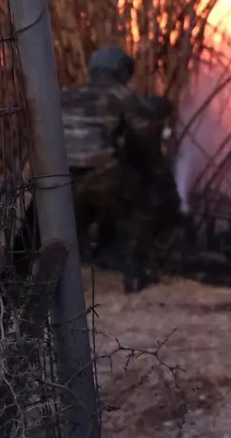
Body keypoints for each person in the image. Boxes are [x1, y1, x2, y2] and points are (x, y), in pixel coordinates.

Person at [61, 45, 173, 294]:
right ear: (121, 71)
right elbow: (143, 135)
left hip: (59, 178)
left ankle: (72, 272)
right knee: (140, 205)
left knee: (74, 217)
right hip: (99, 175)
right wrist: (156, 172)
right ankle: (135, 274)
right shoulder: (120, 95)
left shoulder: (67, 94)